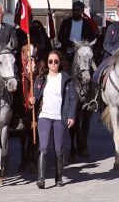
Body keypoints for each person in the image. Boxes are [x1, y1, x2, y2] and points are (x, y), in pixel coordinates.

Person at [29, 50, 76, 189]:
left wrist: (71, 116)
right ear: (47, 63)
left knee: (58, 148)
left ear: (60, 62)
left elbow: (73, 99)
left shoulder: (67, 79)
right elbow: (36, 96)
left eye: (56, 61)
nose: (53, 63)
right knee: (43, 147)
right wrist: (33, 100)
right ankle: (41, 178)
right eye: (50, 61)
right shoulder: (41, 78)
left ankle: (59, 177)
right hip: (44, 116)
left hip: (60, 117)